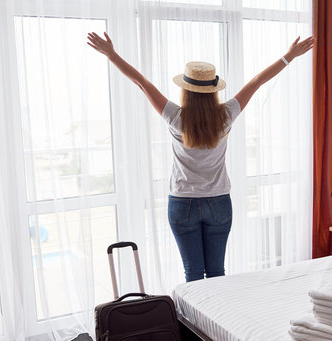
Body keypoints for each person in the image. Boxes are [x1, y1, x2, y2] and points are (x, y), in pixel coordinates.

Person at [87, 32, 315, 282]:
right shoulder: (226, 115)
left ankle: (193, 322)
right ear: (213, 90)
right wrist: (289, 56)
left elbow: (142, 82)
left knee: (193, 273)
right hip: (218, 202)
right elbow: (257, 81)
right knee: (217, 272)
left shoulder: (175, 116)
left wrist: (111, 54)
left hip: (182, 202)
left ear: (186, 91)